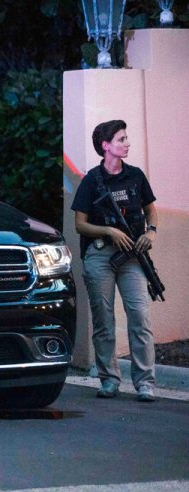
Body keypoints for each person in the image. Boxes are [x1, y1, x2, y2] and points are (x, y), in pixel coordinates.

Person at [71, 120, 158, 402]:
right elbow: (80, 225)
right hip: (100, 253)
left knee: (139, 315)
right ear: (106, 146)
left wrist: (151, 233)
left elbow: (150, 210)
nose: (127, 143)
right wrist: (109, 230)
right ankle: (109, 379)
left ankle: (145, 382)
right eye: (121, 139)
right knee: (104, 319)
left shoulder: (135, 176)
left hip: (132, 254)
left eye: (126, 138)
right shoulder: (91, 180)